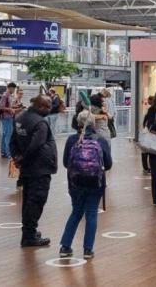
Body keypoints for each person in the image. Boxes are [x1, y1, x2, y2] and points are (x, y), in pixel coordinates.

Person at [59, 110, 113, 260]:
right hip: (95, 183)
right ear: (93, 123)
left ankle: (65, 246)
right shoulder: (100, 140)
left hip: (75, 183)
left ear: (78, 123)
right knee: (91, 214)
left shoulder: (71, 140)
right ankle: (87, 250)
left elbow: (65, 163)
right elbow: (108, 164)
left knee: (76, 212)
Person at [11, 95, 58, 247]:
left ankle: (29, 232)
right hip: (39, 168)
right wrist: (23, 159)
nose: (50, 110)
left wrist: (17, 157)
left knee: (28, 200)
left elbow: (12, 141)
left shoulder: (20, 117)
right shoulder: (40, 123)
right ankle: (29, 236)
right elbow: (35, 145)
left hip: (28, 168)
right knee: (36, 200)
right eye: (47, 107)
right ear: (39, 106)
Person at [0, 82, 18, 159]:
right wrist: (10, 109)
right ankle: (8, 153)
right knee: (8, 135)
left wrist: (14, 106)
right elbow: (1, 106)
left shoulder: (8, 96)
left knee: (5, 135)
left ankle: (3, 152)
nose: (14, 90)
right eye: (13, 89)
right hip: (6, 117)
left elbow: (6, 106)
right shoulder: (5, 95)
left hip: (8, 117)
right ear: (10, 88)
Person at [140, 95, 154, 174]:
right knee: (149, 150)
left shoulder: (149, 109)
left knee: (145, 150)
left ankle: (146, 167)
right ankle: (148, 167)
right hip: (149, 132)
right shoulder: (152, 110)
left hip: (146, 131)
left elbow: (145, 121)